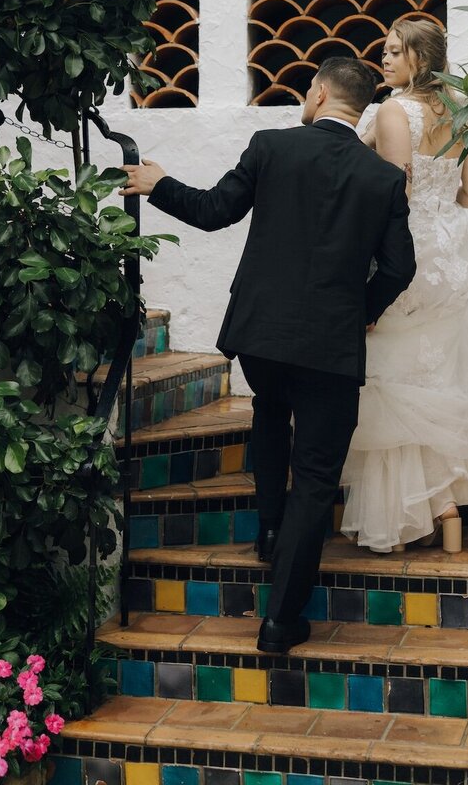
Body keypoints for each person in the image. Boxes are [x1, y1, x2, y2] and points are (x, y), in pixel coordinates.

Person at [120, 57, 416, 654]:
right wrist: (361, 310)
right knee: (315, 476)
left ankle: (269, 528)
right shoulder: (382, 178)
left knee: (270, 413)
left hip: (261, 339)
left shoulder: (271, 147)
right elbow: (400, 268)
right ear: (360, 110)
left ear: (322, 93)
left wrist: (159, 185)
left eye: (308, 89)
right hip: (330, 348)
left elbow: (212, 211)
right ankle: (280, 620)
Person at [340, 18, 468, 554]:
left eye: (392, 52)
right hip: (449, 263)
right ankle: (447, 509)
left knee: (388, 382)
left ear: (419, 61)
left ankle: (400, 519)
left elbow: (392, 189)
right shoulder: (462, 114)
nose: (382, 60)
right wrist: (439, 199)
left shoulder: (389, 110)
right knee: (434, 383)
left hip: (404, 260)